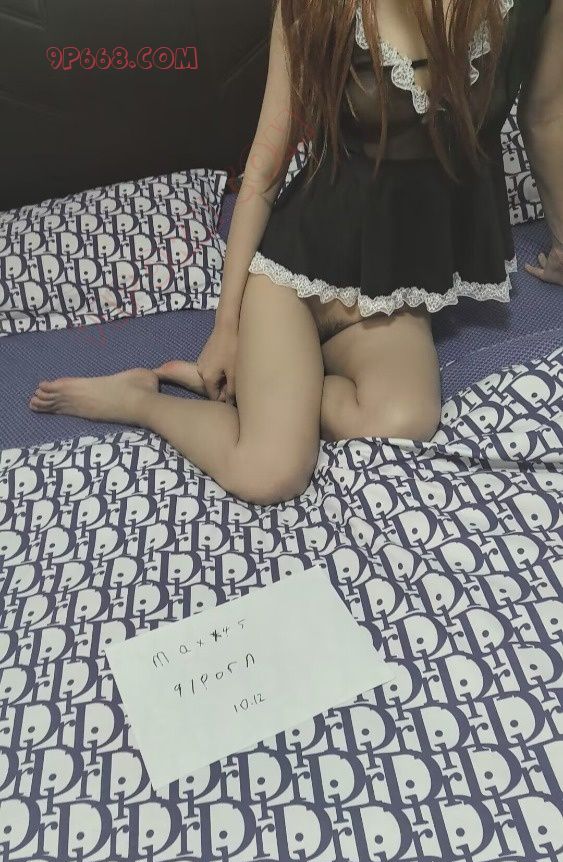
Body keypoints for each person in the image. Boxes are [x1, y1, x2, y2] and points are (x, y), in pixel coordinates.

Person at [29, 0, 562, 505]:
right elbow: (263, 173)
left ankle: (269, 391)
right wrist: (226, 327)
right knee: (272, 473)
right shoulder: (314, 6)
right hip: (295, 275)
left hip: (389, 288)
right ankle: (140, 399)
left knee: (405, 422)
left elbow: (545, 118)